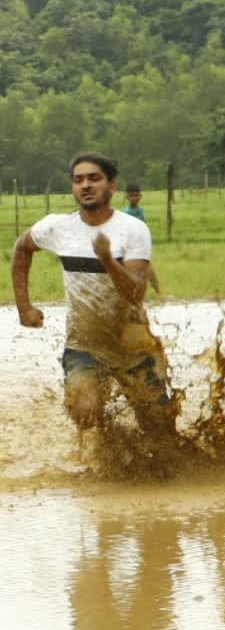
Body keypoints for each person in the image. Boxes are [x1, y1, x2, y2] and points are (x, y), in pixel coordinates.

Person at [11, 152, 177, 462]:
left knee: (160, 430)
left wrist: (108, 261)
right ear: (73, 188)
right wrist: (24, 307)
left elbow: (135, 294)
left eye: (94, 179)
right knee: (84, 412)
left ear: (111, 186)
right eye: (78, 180)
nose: (85, 185)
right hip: (83, 344)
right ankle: (115, 452)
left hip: (133, 345)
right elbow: (21, 249)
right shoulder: (57, 227)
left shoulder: (131, 229)